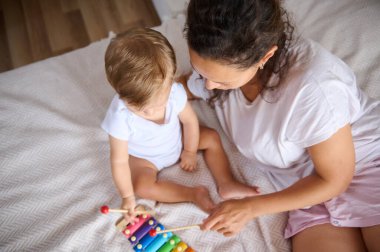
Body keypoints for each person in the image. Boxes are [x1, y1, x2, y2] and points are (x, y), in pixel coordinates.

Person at [180, 0, 380, 251]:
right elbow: (182, 88)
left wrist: (249, 208)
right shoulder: (217, 66)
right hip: (305, 192)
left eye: (221, 81)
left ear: (265, 56)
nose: (208, 86)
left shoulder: (313, 88)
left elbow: (335, 180)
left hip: (366, 166)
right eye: (202, 73)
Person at [101, 28, 259, 222]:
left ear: (170, 80)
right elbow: (119, 160)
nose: (152, 111)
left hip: (178, 140)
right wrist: (127, 197)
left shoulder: (174, 92)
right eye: (141, 108)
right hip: (147, 159)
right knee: (142, 187)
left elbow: (189, 121)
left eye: (159, 102)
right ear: (122, 95)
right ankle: (192, 194)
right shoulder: (120, 116)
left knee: (211, 138)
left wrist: (190, 151)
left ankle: (226, 182)